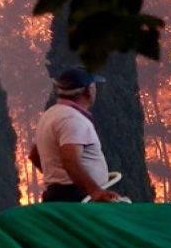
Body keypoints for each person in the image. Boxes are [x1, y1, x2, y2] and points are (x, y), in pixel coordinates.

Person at [29, 66, 125, 203]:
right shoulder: (73, 119)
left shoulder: (50, 115)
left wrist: (57, 179)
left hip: (60, 193)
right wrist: (94, 191)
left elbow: (34, 155)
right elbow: (70, 159)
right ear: (88, 91)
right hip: (77, 197)